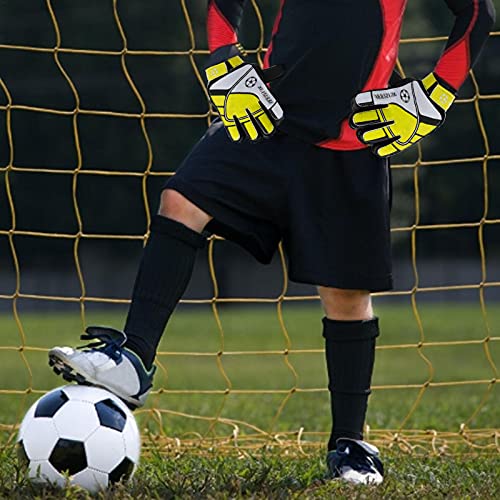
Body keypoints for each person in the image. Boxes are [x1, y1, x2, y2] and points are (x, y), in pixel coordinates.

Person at [49, 0, 495, 485]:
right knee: (181, 200)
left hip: (354, 138)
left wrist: (436, 92)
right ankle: (134, 359)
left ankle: (350, 444)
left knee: (346, 299)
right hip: (267, 117)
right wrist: (225, 59)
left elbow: (477, 13)